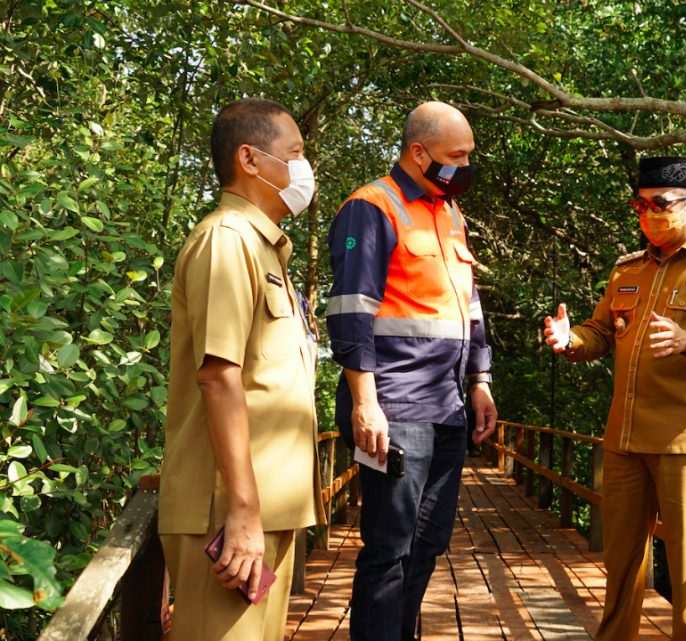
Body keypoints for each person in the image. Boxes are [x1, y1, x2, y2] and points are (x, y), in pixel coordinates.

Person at [543, 157, 686, 641]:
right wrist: (569, 338)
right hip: (624, 442)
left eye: (660, 204)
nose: (647, 214)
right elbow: (600, 330)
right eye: (640, 204)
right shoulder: (626, 270)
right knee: (620, 568)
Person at [326, 101, 497, 641]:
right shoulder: (370, 206)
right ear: (418, 152)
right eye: (456, 156)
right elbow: (352, 309)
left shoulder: (450, 213)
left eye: (470, 154)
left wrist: (480, 382)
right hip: (393, 405)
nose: (465, 165)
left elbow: (469, 307)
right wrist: (364, 403)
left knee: (429, 541)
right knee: (389, 545)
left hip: (447, 405)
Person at [158, 97, 322, 641]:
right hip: (229, 513)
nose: (304, 169)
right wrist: (244, 512)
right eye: (294, 154)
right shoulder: (227, 241)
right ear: (250, 160)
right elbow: (218, 375)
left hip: (266, 509)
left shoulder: (266, 249)